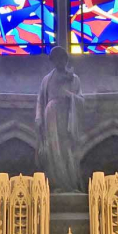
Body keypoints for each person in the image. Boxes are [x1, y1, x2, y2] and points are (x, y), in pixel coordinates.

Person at [35, 46, 84, 192]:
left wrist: (71, 96)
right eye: (55, 59)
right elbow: (40, 99)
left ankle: (70, 183)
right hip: (50, 114)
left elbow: (81, 99)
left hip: (67, 115)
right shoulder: (47, 79)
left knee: (66, 147)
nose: (58, 62)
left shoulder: (74, 79)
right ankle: (56, 183)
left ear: (65, 59)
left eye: (61, 58)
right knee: (52, 147)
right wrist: (38, 116)